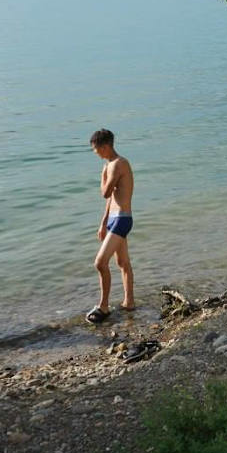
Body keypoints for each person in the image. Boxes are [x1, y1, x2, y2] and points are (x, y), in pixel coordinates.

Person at [86, 128, 135, 324]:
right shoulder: (110, 165)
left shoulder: (117, 164)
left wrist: (103, 175)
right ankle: (129, 302)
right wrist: (103, 222)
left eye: (95, 149)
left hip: (123, 218)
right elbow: (110, 199)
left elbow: (105, 192)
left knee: (100, 262)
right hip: (115, 218)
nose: (94, 152)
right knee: (122, 263)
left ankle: (104, 306)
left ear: (105, 147)